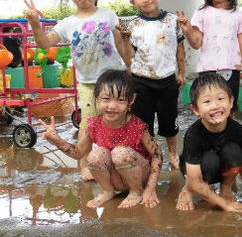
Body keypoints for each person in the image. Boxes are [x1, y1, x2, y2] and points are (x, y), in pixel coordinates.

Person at [25, 0, 125, 180]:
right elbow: (44, 43)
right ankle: (84, 163)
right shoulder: (67, 23)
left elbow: (121, 43)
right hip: (88, 83)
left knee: (117, 121)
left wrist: (131, 70)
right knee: (88, 124)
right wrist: (35, 24)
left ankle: (119, 160)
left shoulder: (109, 15)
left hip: (115, 80)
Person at [39, 70, 163, 209]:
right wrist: (57, 140)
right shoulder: (94, 124)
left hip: (139, 176)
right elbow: (78, 153)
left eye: (120, 100)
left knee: (120, 153)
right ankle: (108, 191)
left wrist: (150, 188)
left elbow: (157, 155)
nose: (112, 106)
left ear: (131, 100)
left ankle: (136, 191)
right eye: (106, 99)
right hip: (116, 179)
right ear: (96, 97)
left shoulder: (137, 126)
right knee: (94, 155)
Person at [117, 0, 185, 171]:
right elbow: (130, 57)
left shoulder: (172, 21)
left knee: (169, 122)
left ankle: (172, 154)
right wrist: (124, 39)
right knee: (143, 124)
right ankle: (150, 154)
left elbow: (180, 49)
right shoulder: (134, 26)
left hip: (167, 81)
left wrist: (181, 73)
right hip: (141, 81)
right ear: (132, 2)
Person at [176, 73, 242, 213]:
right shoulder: (193, 135)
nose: (215, 106)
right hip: (198, 171)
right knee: (209, 162)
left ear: (231, 102)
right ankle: (187, 189)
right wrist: (225, 205)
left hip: (222, 165)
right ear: (196, 109)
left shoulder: (238, 130)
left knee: (233, 152)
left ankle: (225, 188)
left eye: (221, 99)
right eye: (207, 102)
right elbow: (195, 179)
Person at [176, 0, 242, 114]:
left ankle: (229, 137)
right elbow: (196, 43)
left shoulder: (238, 14)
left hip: (232, 69)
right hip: (208, 70)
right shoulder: (201, 12)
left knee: (229, 108)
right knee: (208, 109)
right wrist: (188, 31)